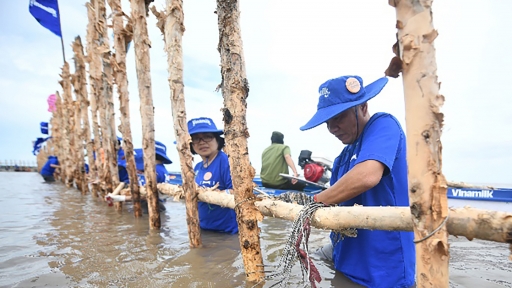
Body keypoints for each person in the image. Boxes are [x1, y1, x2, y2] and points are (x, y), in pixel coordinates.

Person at [300, 75, 415, 287]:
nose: (333, 128)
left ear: (363, 107)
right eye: (328, 122)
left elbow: (367, 175)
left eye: (339, 117)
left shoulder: (383, 125)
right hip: (345, 267)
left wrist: (312, 201)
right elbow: (335, 204)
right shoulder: (342, 158)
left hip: (385, 272)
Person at [188, 117, 238, 234]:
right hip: (204, 229)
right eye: (196, 139)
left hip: (227, 232)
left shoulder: (226, 161)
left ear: (217, 139)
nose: (202, 142)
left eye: (207, 136)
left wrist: (215, 194)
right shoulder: (197, 167)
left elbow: (239, 192)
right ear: (191, 144)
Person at [106, 141, 171, 213]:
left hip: (152, 206)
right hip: (151, 205)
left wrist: (121, 198)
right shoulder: (158, 169)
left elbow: (147, 194)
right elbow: (126, 182)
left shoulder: (155, 171)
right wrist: (114, 195)